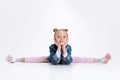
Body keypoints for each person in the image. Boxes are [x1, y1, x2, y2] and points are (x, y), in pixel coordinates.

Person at [7, 28, 111, 65]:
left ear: (67, 39)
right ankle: (15, 59)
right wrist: (58, 48)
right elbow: (55, 62)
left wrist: (64, 48)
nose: (61, 39)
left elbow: (68, 62)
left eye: (64, 37)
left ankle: (101, 60)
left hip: (66, 60)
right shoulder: (52, 47)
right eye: (58, 37)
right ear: (54, 39)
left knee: (80, 59)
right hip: (53, 60)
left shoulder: (68, 47)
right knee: (38, 59)